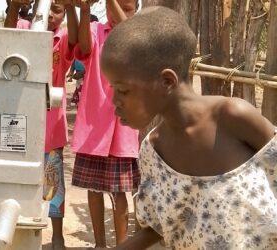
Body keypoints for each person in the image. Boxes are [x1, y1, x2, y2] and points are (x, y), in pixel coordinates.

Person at [100, 6, 277, 249]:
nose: (115, 102)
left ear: (166, 81)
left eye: (123, 90)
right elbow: (158, 226)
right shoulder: (154, 152)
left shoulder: (233, 118)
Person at [6, 2, 78, 250]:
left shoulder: (64, 36)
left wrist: (71, 8)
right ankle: (18, 232)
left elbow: (77, 41)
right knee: (18, 180)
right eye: (49, 7)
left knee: (53, 183)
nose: (51, 15)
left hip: (52, 127)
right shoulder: (25, 27)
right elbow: (5, 40)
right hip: (20, 124)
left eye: (57, 10)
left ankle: (57, 237)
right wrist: (13, 7)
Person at [71, 0, 140, 248]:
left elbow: (128, 34)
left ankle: (121, 244)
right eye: (114, 5)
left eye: (127, 6)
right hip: (94, 126)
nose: (119, 11)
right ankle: (100, 244)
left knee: (119, 192)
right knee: (93, 188)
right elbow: (84, 48)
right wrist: (84, 9)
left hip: (122, 127)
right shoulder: (95, 31)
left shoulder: (135, 34)